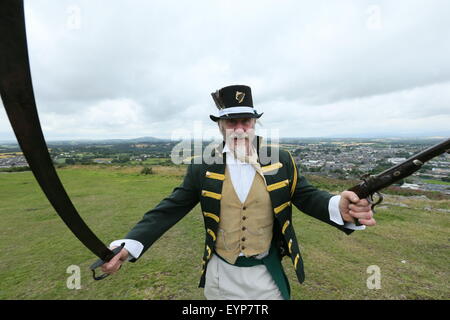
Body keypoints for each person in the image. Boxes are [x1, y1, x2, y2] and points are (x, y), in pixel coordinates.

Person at [102, 84, 376, 300]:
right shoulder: (202, 164)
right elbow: (171, 208)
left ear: (255, 123)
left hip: (265, 273)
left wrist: (338, 206)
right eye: (232, 122)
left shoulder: (281, 160)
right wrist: (131, 244)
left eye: (246, 120)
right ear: (220, 125)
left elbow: (306, 196)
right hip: (221, 273)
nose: (240, 129)